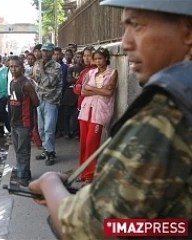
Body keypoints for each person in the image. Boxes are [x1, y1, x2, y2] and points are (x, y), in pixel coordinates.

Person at [28, 1, 192, 239]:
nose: (125, 43)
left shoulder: (167, 113)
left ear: (186, 30)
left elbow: (93, 228)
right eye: (124, 28)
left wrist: (49, 184)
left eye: (137, 26)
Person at [78, 47, 118, 183]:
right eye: (95, 59)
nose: (98, 61)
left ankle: (90, 175)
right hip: (86, 110)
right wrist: (99, 90)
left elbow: (108, 93)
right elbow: (83, 92)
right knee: (84, 142)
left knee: (92, 143)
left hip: (100, 111)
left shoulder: (112, 73)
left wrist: (92, 88)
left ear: (106, 58)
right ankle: (82, 172)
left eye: (100, 58)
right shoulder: (90, 73)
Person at [9, 56, 39, 186]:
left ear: (22, 67)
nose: (13, 69)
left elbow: (36, 102)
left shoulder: (26, 84)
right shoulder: (12, 82)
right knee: (18, 149)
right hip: (14, 122)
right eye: (11, 66)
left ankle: (23, 177)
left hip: (24, 123)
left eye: (16, 66)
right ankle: (25, 171)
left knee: (23, 150)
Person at [34, 43, 63, 166]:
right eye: (43, 51)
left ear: (52, 53)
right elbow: (35, 79)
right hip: (39, 99)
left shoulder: (56, 66)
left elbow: (47, 82)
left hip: (51, 101)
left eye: (47, 51)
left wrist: (41, 68)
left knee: (49, 129)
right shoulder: (37, 64)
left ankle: (50, 153)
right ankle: (46, 150)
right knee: (41, 129)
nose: (44, 53)